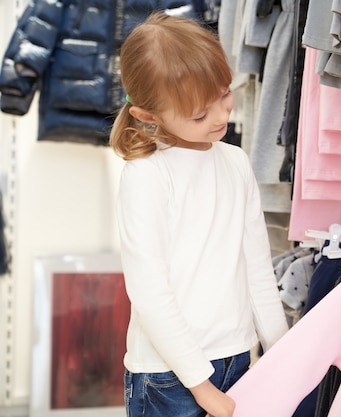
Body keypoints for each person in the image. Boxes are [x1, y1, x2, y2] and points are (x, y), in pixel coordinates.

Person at [109, 12, 289, 417]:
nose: (222, 117)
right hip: (168, 375)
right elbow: (150, 292)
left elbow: (257, 267)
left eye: (224, 95)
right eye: (199, 115)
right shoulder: (146, 174)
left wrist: (281, 350)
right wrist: (202, 387)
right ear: (147, 116)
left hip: (238, 358)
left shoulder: (237, 161)